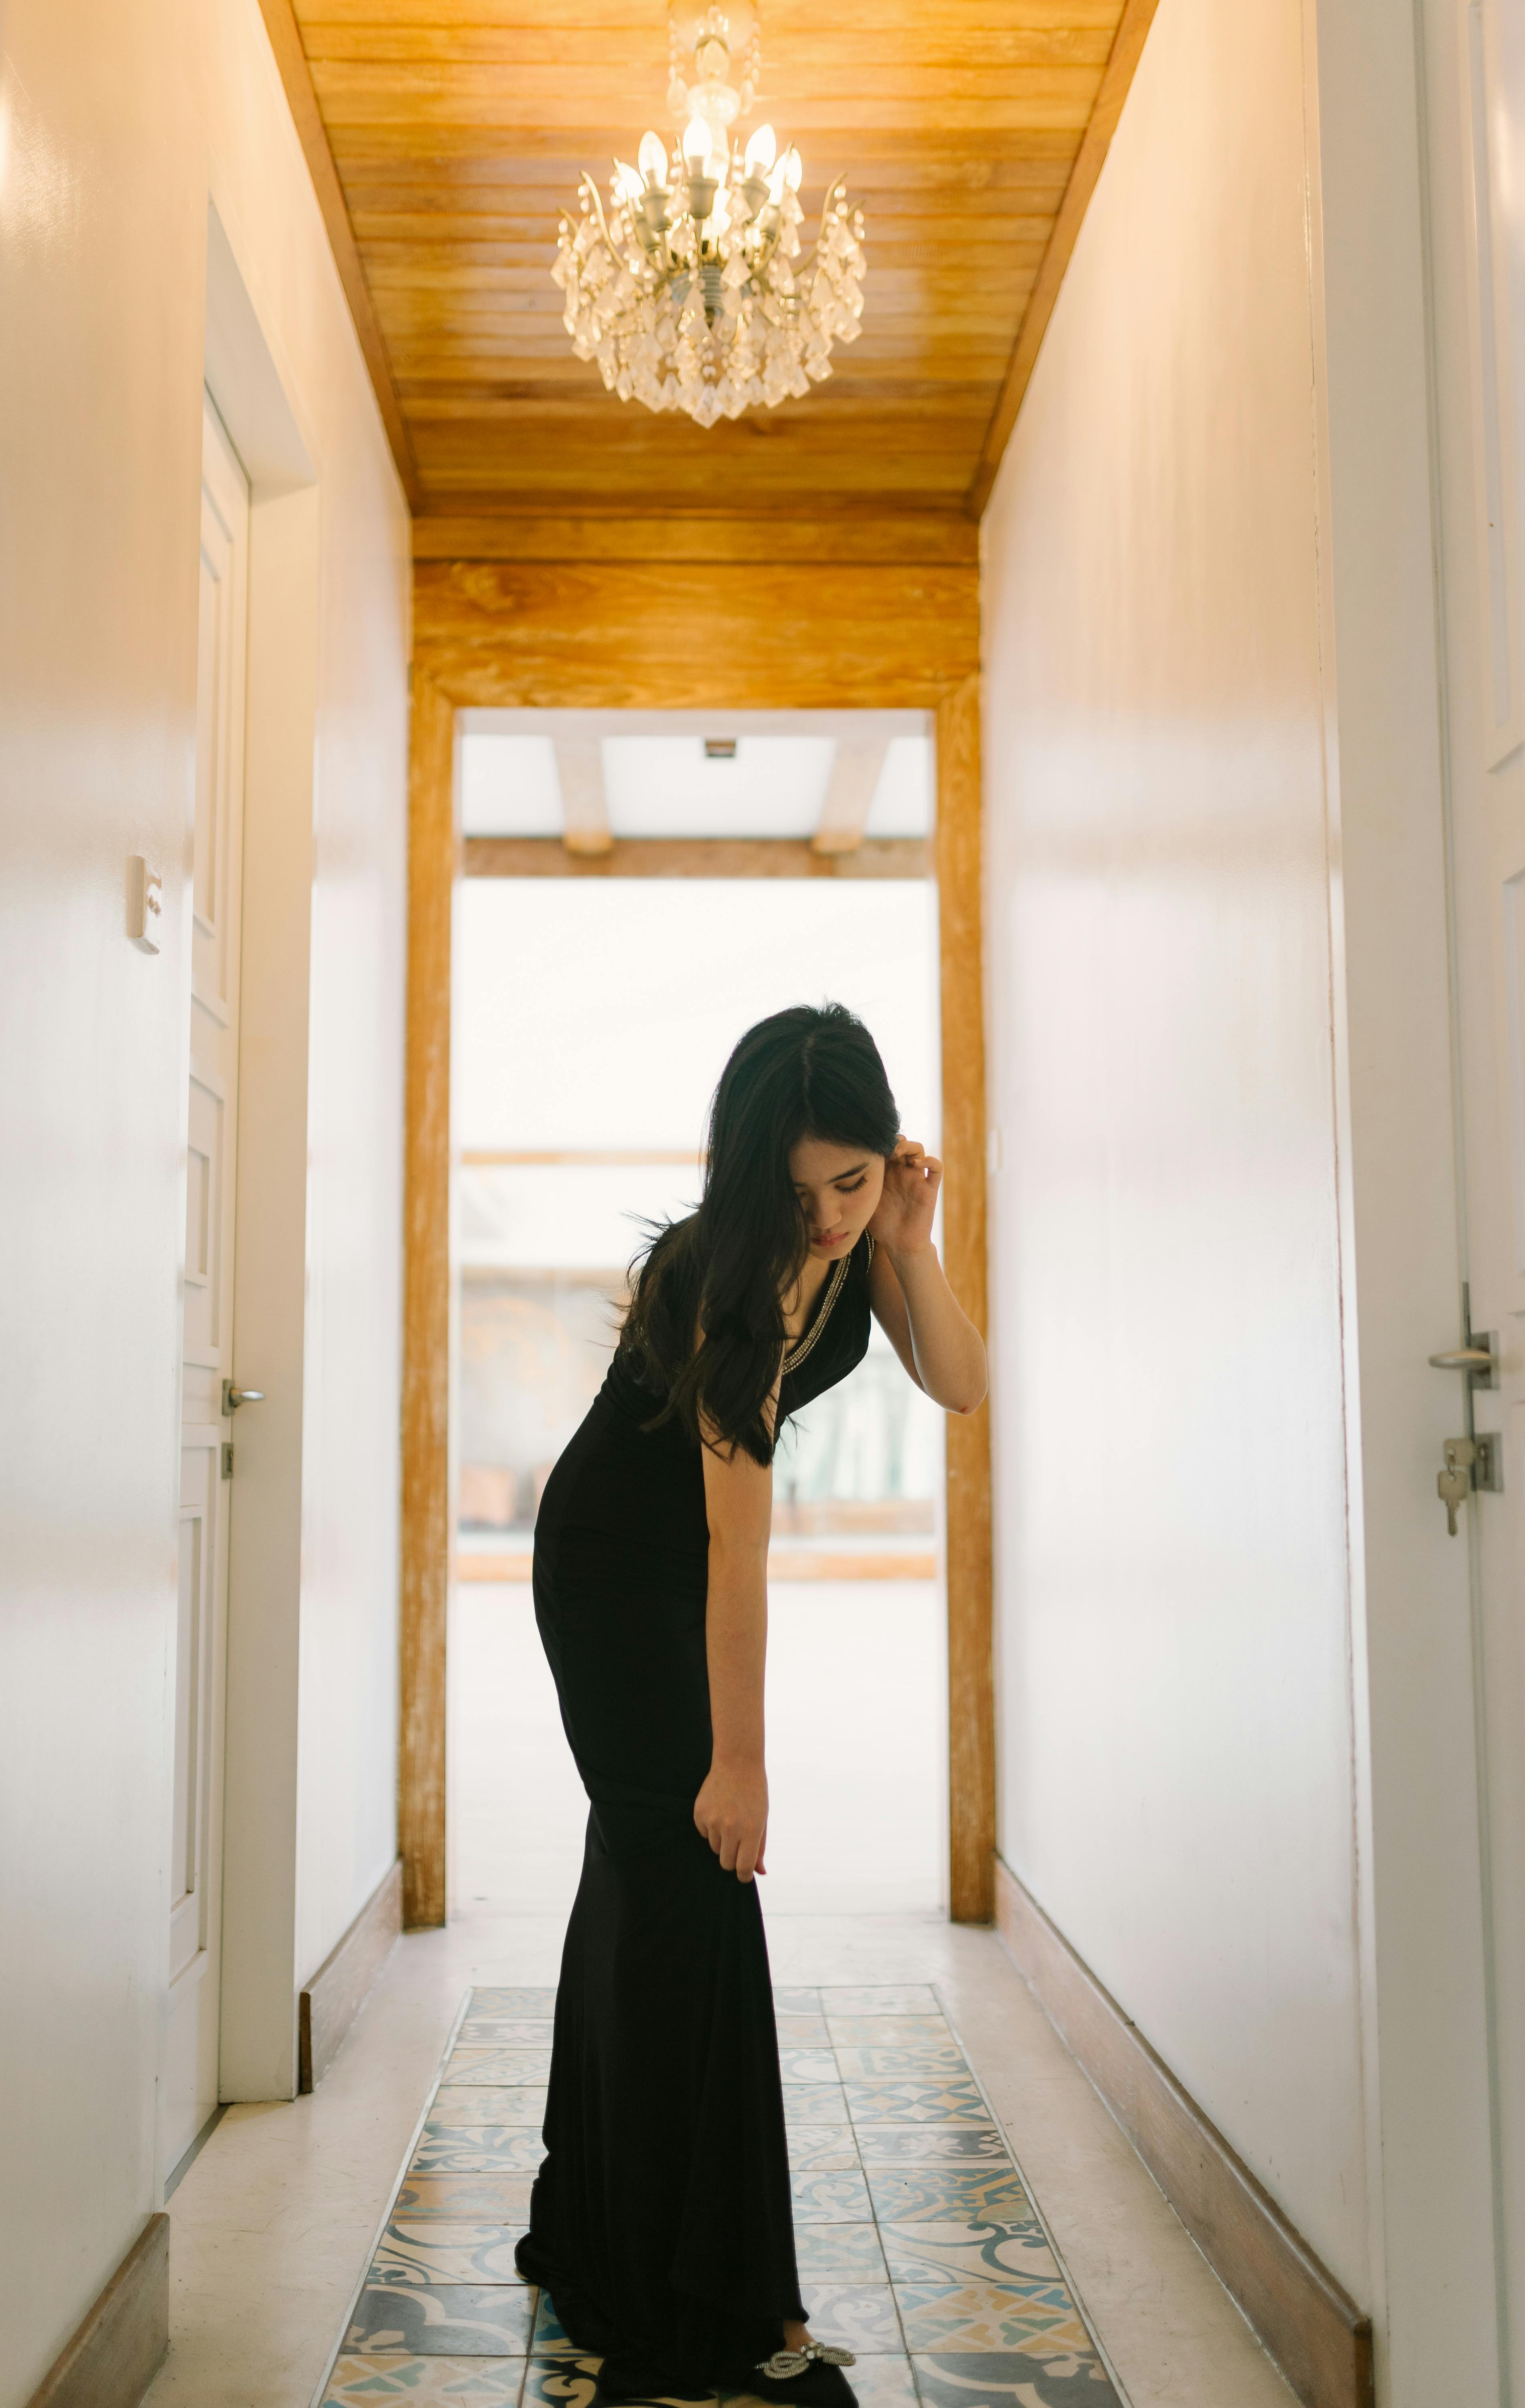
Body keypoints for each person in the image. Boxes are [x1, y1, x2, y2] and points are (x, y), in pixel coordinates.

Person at [515, 1003, 988, 2408]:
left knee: (646, 1881)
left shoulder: (861, 1240)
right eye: (803, 1191)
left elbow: (960, 1384)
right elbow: (735, 1543)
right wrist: (743, 1762)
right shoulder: (723, 1276)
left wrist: (911, 1235)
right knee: (698, 1878)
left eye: (854, 1179)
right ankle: (698, 2300)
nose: (831, 1214)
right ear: (743, 1174)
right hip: (612, 1574)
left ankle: (600, 2229)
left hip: (672, 1567)